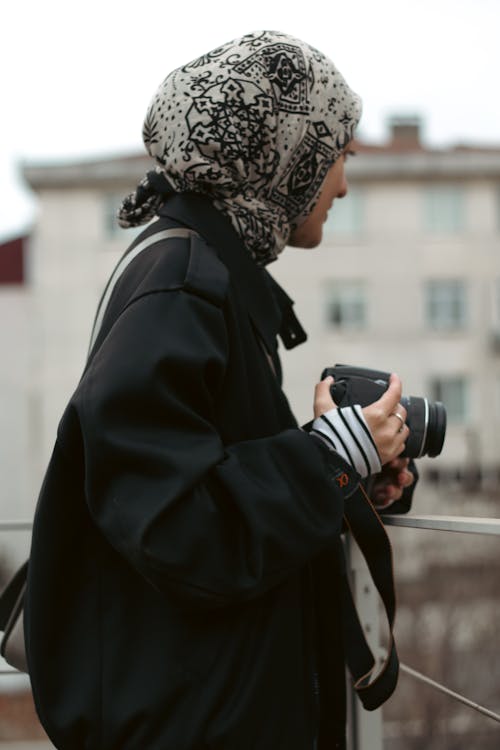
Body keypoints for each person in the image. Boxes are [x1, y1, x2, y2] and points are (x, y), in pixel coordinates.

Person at [24, 30, 415, 750]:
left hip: (208, 705)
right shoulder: (183, 282)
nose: (344, 186)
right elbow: (177, 525)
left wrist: (344, 471)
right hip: (196, 722)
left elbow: (199, 474)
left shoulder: (199, 269)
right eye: (339, 158)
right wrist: (327, 456)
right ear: (284, 157)